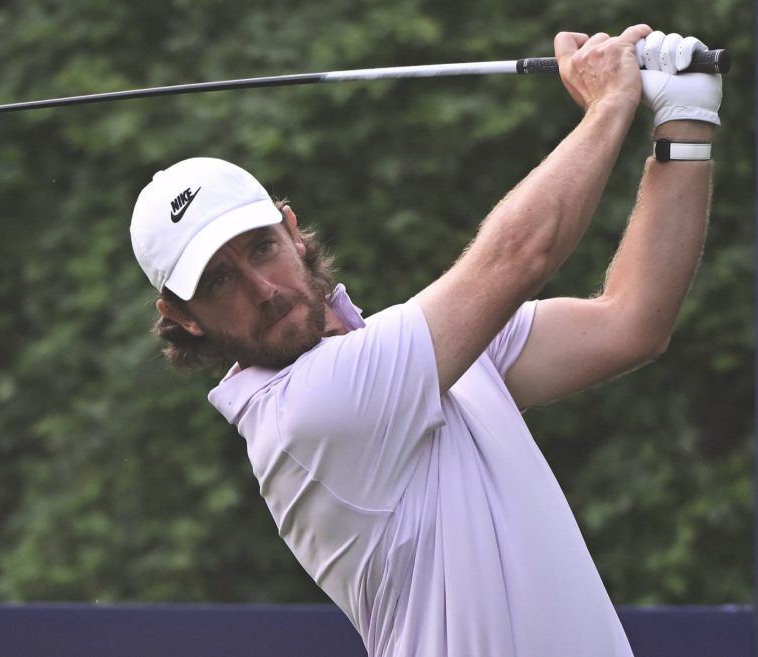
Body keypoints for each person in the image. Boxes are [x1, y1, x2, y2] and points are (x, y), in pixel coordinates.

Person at [129, 25, 721, 657]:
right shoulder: (302, 412)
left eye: (261, 248)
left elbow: (631, 322)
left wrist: (686, 121)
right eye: (220, 281)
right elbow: (517, 256)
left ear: (292, 230)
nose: (261, 287)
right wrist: (609, 105)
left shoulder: (421, 358)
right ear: (184, 317)